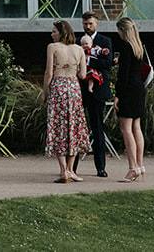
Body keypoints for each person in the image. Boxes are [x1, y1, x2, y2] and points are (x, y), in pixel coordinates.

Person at [44, 19, 91, 184]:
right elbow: (83, 75)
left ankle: (63, 170)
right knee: (73, 128)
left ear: (61, 33)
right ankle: (71, 170)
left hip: (58, 88)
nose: (52, 34)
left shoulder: (53, 48)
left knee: (58, 128)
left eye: (54, 32)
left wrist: (45, 91)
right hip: (74, 89)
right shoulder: (79, 49)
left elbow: (49, 73)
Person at [76, 12, 114, 178]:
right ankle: (73, 167)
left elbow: (108, 63)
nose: (87, 26)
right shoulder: (77, 41)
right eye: (85, 24)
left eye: (90, 23)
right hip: (80, 89)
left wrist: (88, 60)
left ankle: (100, 167)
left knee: (98, 127)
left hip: (97, 89)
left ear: (96, 23)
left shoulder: (105, 41)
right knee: (76, 127)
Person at [113, 16, 150, 182]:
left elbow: (123, 75)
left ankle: (132, 167)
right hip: (139, 88)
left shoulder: (126, 47)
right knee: (137, 127)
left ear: (123, 30)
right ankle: (140, 165)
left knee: (125, 128)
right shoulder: (138, 47)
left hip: (128, 90)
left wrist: (117, 95)